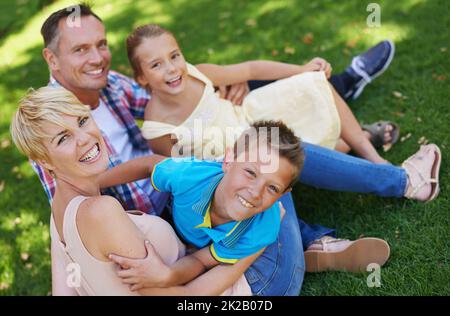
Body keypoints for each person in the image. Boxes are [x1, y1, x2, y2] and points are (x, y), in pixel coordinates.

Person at [33, 4, 440, 295]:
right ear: (52, 59)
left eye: (100, 45)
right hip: (178, 209)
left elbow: (175, 97)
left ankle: (339, 87)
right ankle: (396, 181)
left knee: (241, 99)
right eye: (80, 50)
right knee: (269, 160)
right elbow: (76, 213)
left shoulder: (114, 84)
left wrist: (221, 96)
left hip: (190, 175)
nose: (98, 57)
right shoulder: (52, 130)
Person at [11, 86, 256, 296]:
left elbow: (65, 290)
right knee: (266, 185)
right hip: (228, 288)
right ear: (44, 161)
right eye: (63, 138)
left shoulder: (60, 211)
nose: (85, 138)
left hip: (202, 266)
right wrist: (252, 250)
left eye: (83, 121)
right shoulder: (100, 212)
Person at [98, 120, 390, 291]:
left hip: (269, 277)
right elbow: (151, 164)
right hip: (196, 225)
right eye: (250, 172)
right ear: (226, 161)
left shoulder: (262, 225)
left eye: (272, 188)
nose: (254, 192)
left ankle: (312, 244)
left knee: (268, 220)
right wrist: (99, 183)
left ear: (282, 194)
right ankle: (314, 241)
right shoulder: (190, 175)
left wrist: (167, 276)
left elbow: (200, 261)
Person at [129, 23, 393, 163]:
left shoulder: (198, 73)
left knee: (312, 82)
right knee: (318, 151)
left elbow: (251, 68)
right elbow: (180, 169)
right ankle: (367, 135)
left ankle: (373, 157)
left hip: (250, 115)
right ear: (141, 77)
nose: (172, 69)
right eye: (156, 65)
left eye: (174, 56)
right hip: (236, 155)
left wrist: (300, 69)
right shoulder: (157, 127)